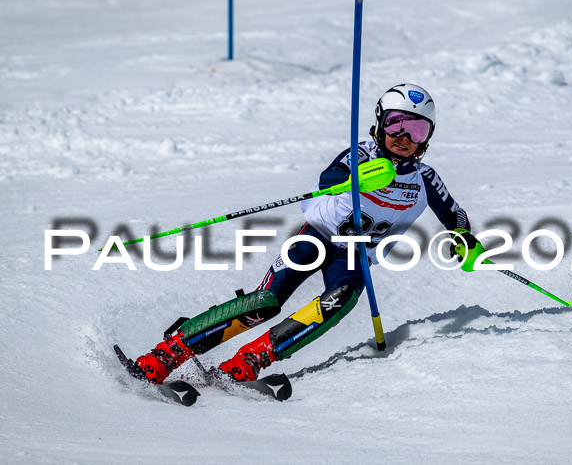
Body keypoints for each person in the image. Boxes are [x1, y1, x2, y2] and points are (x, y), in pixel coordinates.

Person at [133, 83, 477, 385]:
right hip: (316, 237)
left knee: (340, 298)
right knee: (266, 303)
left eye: (416, 130)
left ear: (427, 137)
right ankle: (170, 351)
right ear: (379, 124)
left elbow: (454, 213)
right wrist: (359, 177)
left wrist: (463, 238)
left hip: (355, 255)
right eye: (395, 124)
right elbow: (329, 177)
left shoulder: (425, 179)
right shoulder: (361, 153)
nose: (403, 137)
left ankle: (251, 361)